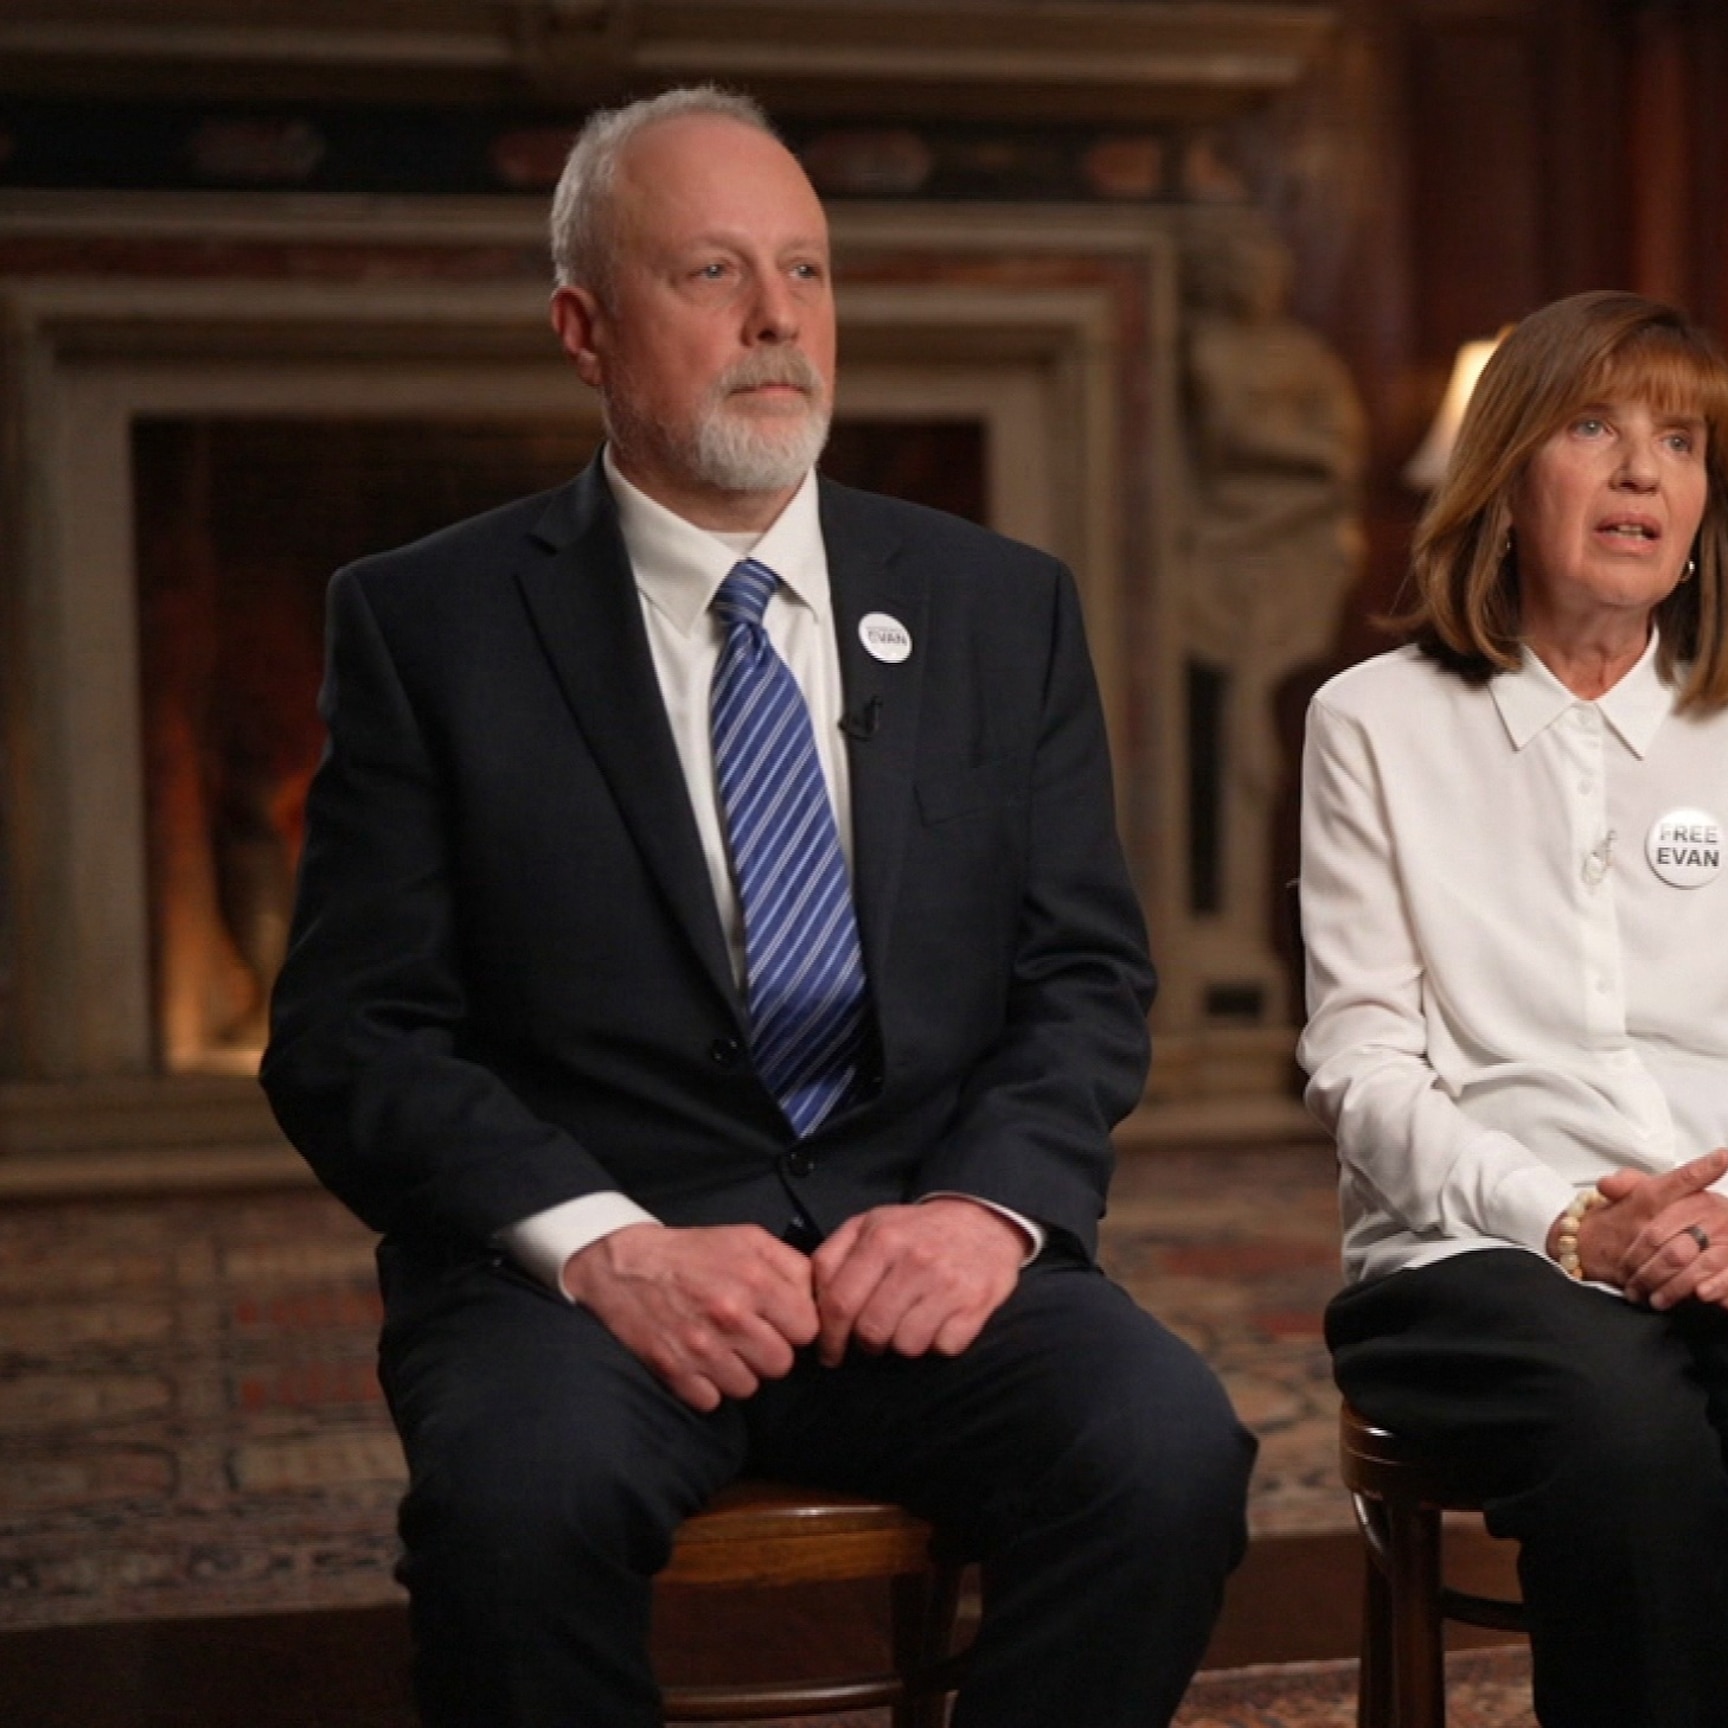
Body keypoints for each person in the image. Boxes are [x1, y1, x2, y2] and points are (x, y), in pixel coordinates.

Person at [259, 87, 1253, 1728]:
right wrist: (601, 1249)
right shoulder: (428, 624)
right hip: (589, 1281)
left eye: (808, 270)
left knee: (1165, 1453)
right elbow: (351, 1034)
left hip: (912, 1239)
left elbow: (1080, 973)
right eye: (714, 273)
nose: (780, 317)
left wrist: (984, 1213)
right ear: (585, 327)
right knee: (513, 1515)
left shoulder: (999, 608)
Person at [1297, 289, 1728, 1728]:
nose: (1640, 473)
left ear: (1710, 500)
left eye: (1680, 441)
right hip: (1477, 1244)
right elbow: (1363, 1064)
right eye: (1593, 428)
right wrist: (1566, 1218)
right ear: (1505, 475)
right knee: (1631, 1454)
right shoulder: (1372, 722)